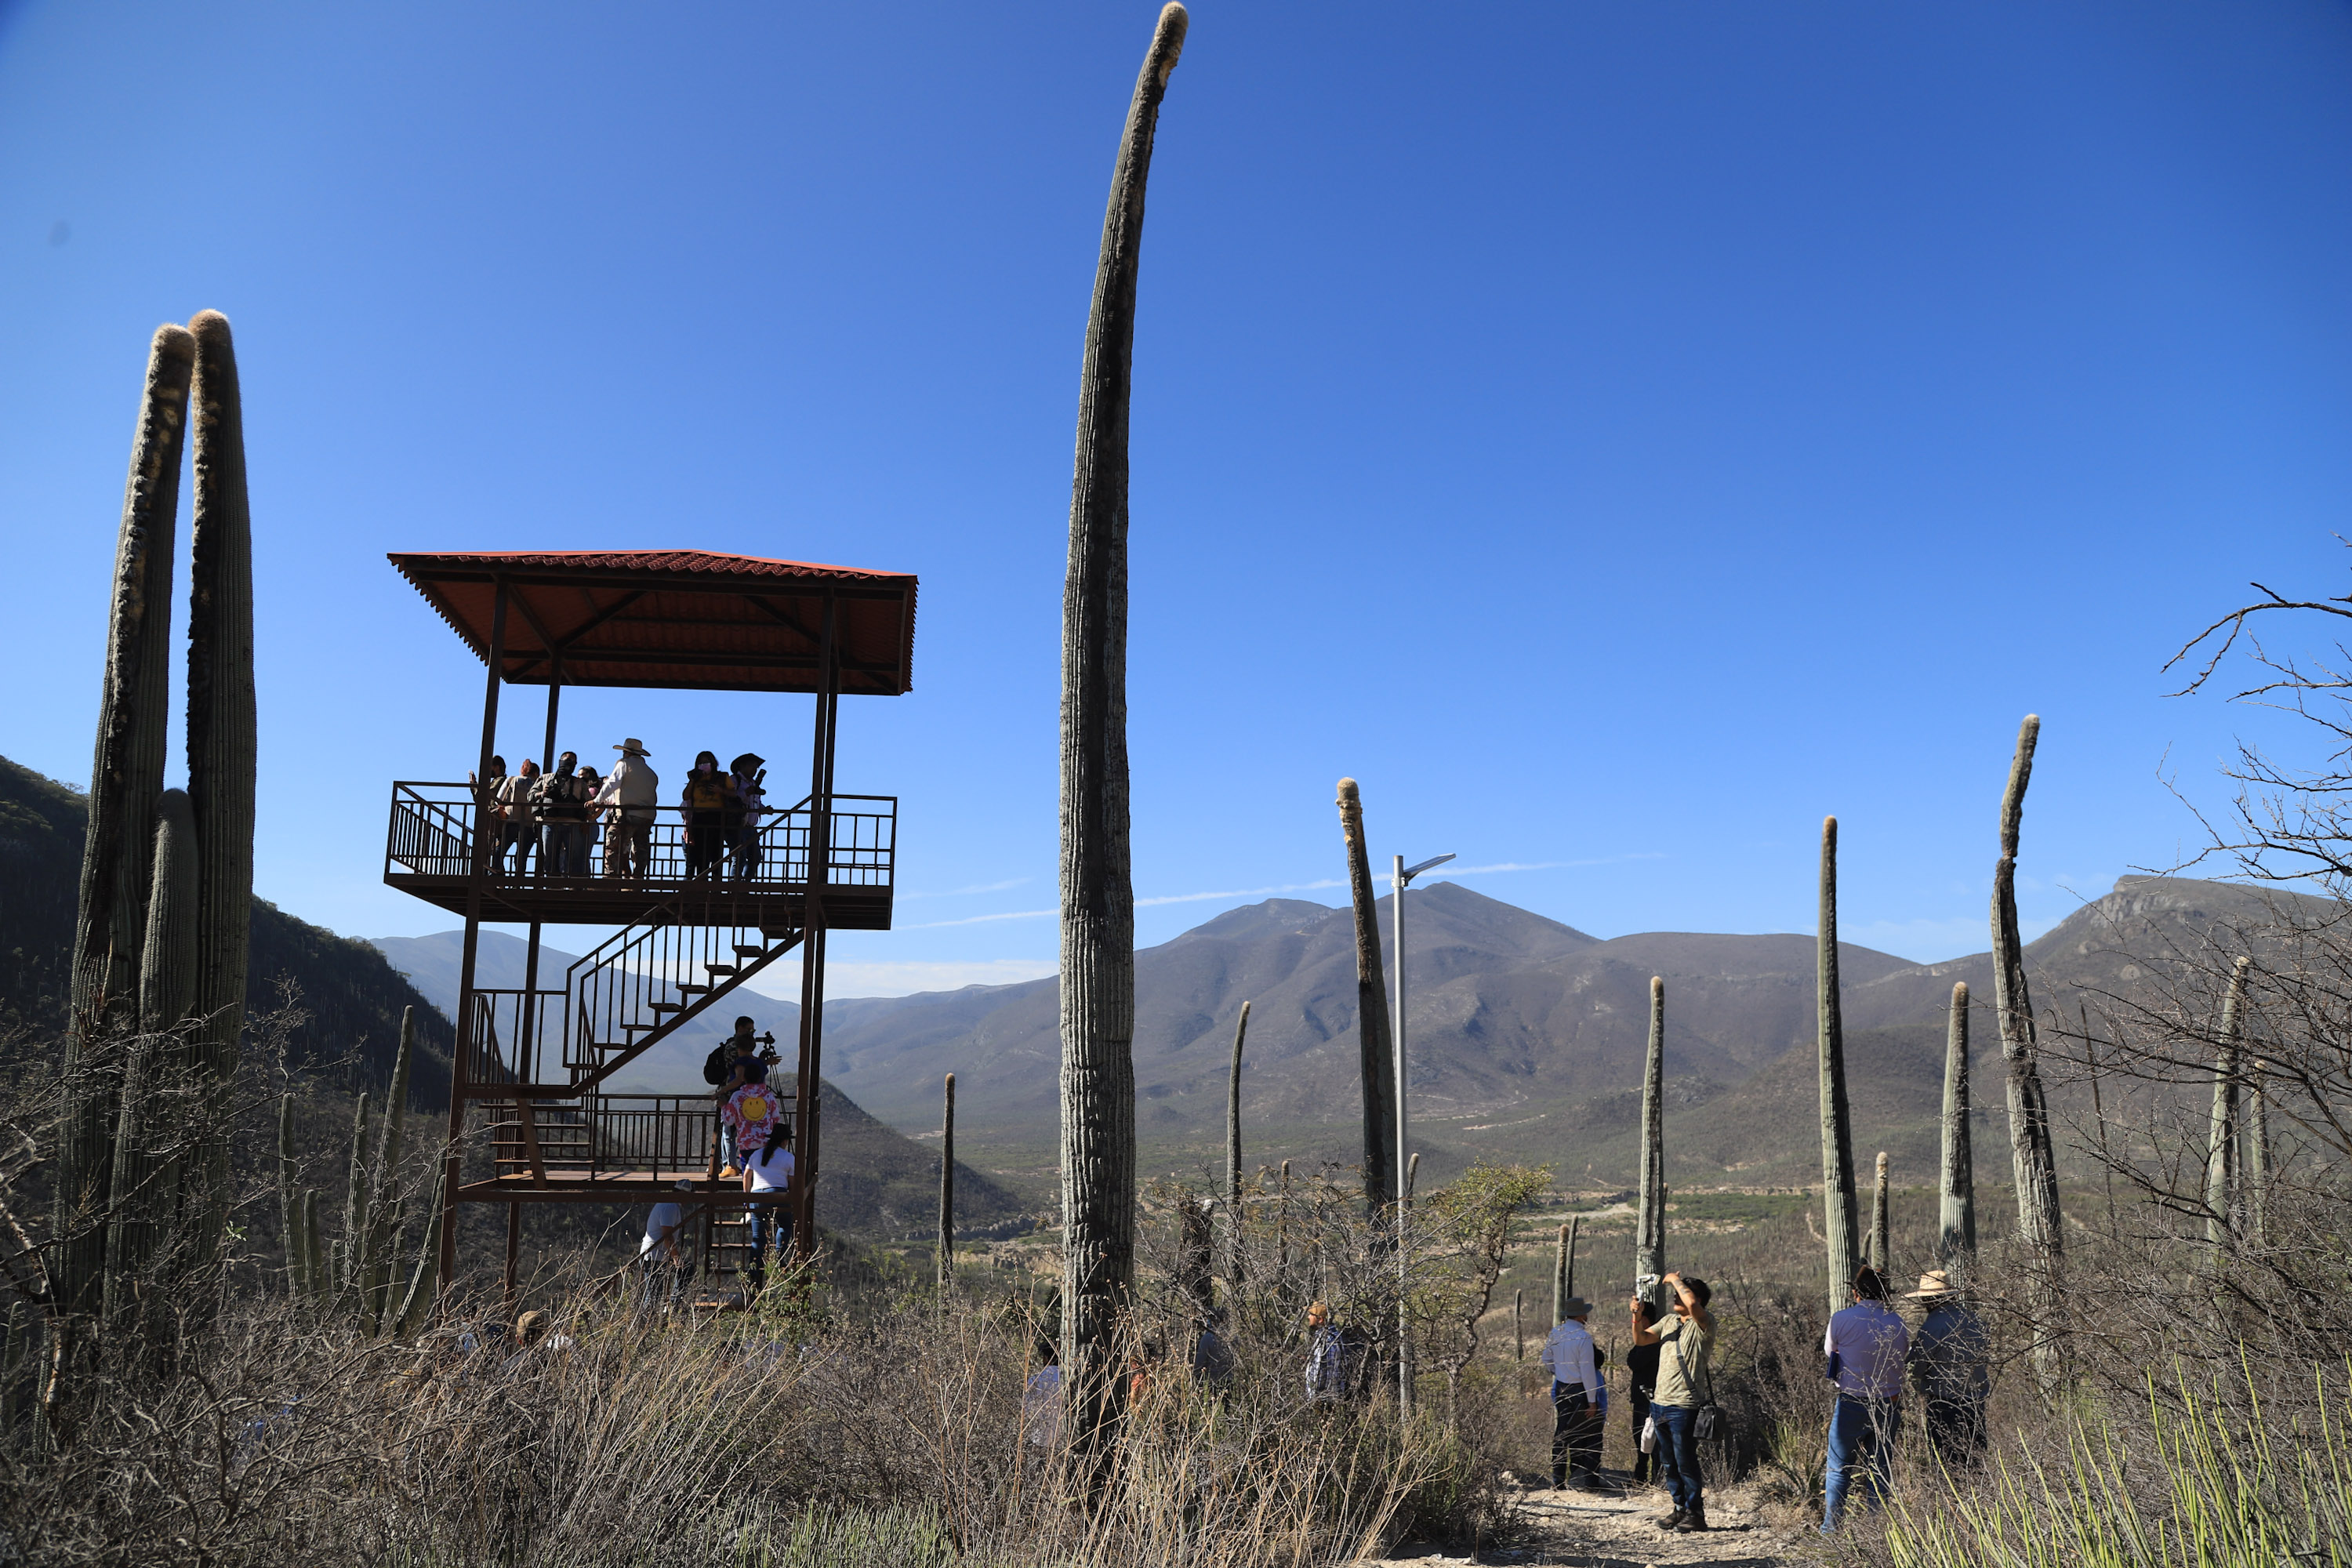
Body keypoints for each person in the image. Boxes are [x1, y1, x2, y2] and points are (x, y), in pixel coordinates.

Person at [1822, 1266, 1910, 1533]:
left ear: (1855, 1292)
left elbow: (1830, 1352)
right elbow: (1904, 1355)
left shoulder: (1841, 1318)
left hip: (1852, 1400)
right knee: (1880, 1469)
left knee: (1839, 1469)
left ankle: (1831, 1532)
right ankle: (1877, 1532)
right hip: (1888, 1402)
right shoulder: (1897, 1321)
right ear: (1885, 1293)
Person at [1630, 1271, 1716, 1534]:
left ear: (1697, 1298)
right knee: (1668, 1462)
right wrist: (1636, 1316)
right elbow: (1641, 1339)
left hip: (1684, 1405)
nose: (1675, 1298)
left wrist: (1673, 1279)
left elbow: (1692, 1306)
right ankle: (1680, 1508)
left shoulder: (1704, 1323)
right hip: (1660, 1403)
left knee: (1685, 1461)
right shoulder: (1669, 1321)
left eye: (1680, 1294)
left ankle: (1696, 1513)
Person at [1904, 1269, 1989, 1468]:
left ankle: (1950, 1498)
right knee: (1974, 1458)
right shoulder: (1975, 1320)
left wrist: (1916, 1381)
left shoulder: (1933, 1325)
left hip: (1943, 1402)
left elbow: (1918, 1364)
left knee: (1946, 1461)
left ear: (1931, 1300)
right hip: (1975, 1400)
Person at [1543, 1294, 1607, 1490]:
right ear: (1580, 1315)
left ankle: (1558, 1479)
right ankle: (1588, 1480)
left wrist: (1560, 1371)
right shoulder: (1583, 1337)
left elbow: (1547, 1359)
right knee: (1590, 1435)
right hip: (1580, 1389)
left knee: (1563, 1434)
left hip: (1562, 1387)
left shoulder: (1556, 1332)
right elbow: (1587, 1370)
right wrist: (1592, 1401)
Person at [740, 1120, 794, 1293]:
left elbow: (746, 1176)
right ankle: (779, 1256)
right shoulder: (788, 1157)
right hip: (779, 1194)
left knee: (758, 1236)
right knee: (785, 1224)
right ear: (784, 1141)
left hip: (757, 1196)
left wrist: (748, 1199)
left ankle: (753, 1274)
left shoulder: (757, 1154)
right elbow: (791, 1183)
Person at [596, 739, 658, 882]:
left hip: (627, 814)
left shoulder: (624, 764)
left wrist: (597, 801)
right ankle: (637, 879)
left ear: (627, 753)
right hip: (647, 816)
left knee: (613, 845)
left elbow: (612, 783)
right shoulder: (651, 773)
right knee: (641, 849)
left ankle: (611, 879)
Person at [533, 751, 593, 878]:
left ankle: (575, 887)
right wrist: (542, 794)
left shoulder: (579, 783)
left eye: (574, 762)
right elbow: (530, 796)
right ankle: (553, 887)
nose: (571, 764)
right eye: (568, 760)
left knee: (575, 858)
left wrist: (587, 821)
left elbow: (588, 804)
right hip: (549, 823)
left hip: (573, 824)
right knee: (550, 857)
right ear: (561, 760)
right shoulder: (545, 778)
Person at [680, 751, 738, 882]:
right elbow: (686, 796)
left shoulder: (722, 777)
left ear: (713, 763)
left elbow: (734, 794)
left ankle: (716, 882)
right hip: (699, 817)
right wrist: (692, 780)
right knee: (700, 852)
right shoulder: (696, 778)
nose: (703, 765)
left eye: (706, 762)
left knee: (716, 851)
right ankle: (702, 882)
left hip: (717, 817)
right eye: (700, 763)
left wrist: (721, 790)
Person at [1627, 1300, 1663, 1488]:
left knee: (1650, 1439)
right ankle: (1642, 1476)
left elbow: (1633, 1361)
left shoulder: (1652, 1342)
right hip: (1642, 1398)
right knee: (1642, 1439)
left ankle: (1653, 1478)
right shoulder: (1648, 1340)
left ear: (1646, 1319)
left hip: (1649, 1398)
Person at [719, 1074, 782, 1182]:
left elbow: (729, 1120)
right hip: (765, 1143)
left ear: (743, 1079)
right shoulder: (768, 1095)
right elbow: (776, 1118)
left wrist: (723, 1107)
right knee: (765, 1177)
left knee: (748, 1178)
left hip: (746, 1143)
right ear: (760, 1078)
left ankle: (749, 1198)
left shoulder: (737, 1096)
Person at [640, 1180, 691, 1312]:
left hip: (658, 1254)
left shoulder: (669, 1204)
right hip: (654, 1254)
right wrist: (676, 1257)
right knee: (653, 1295)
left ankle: (673, 1301)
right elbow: (667, 1234)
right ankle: (647, 1322)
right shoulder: (670, 1206)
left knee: (655, 1293)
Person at [498, 758, 541, 875]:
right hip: (529, 825)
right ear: (536, 773)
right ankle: (518, 883)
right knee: (521, 858)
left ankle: (497, 877)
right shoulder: (539, 786)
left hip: (512, 822)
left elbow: (499, 798)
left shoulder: (512, 780)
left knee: (498, 852)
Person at [728, 753, 767, 881]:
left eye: (755, 767)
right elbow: (731, 797)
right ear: (742, 766)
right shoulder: (734, 780)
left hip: (751, 827)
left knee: (756, 857)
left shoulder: (754, 783)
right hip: (737, 825)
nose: (754, 770)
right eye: (752, 766)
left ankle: (744, 884)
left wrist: (764, 809)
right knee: (740, 856)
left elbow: (756, 802)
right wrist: (747, 792)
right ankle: (734, 885)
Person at [1305, 1301, 1351, 1403]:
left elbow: (1324, 1373)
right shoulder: (1325, 1336)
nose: (1308, 1317)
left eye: (1312, 1315)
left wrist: (1317, 1400)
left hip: (1325, 1401)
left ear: (1320, 1319)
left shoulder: (1328, 1339)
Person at [1024, 1339, 1065, 1454]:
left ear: (1046, 1358)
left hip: (1039, 1438)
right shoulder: (1069, 1380)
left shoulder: (1034, 1381)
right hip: (1064, 1440)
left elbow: (1026, 1410)